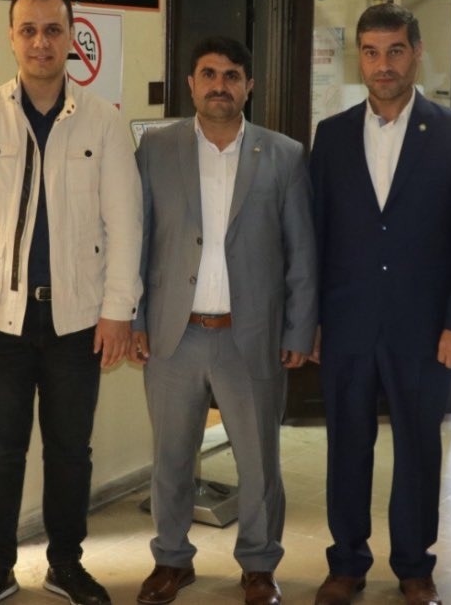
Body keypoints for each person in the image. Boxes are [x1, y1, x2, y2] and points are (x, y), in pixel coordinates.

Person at [0, 0, 142, 605]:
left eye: (53, 30)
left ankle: (66, 564)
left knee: (70, 452)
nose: (41, 42)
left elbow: (125, 222)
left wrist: (118, 311)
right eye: (28, 30)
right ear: (12, 38)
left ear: (71, 37)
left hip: (78, 321)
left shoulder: (103, 120)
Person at [309, 3, 451, 605]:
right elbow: (315, 236)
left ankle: (415, 566)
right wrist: (310, 320)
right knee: (347, 445)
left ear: (416, 52)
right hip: (347, 322)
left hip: (426, 329)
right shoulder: (332, 135)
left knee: (418, 447)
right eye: (371, 52)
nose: (382, 64)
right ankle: (347, 562)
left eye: (394, 51)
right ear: (358, 58)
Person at [130, 36, 317, 605]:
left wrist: (299, 329)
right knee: (170, 458)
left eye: (232, 75)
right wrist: (134, 319)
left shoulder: (283, 154)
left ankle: (259, 566)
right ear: (191, 84)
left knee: (259, 461)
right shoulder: (155, 148)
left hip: (250, 335)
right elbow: (137, 239)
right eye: (208, 74)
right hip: (174, 334)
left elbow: (302, 251)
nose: (220, 85)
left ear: (248, 86)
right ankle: (171, 559)